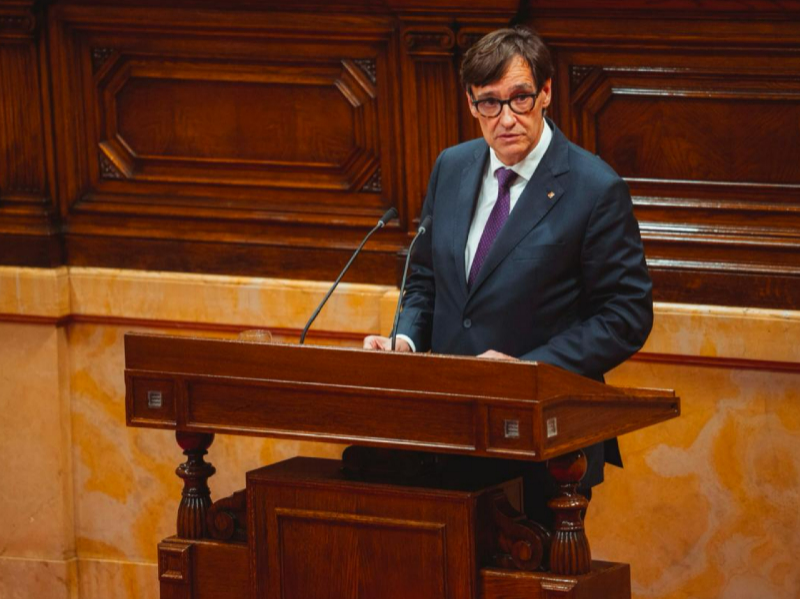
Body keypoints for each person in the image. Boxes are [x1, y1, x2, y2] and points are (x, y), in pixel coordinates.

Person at [363, 26, 653, 526]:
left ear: (545, 92)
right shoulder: (451, 167)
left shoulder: (593, 187)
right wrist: (405, 342)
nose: (507, 118)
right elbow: (426, 278)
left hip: (546, 443)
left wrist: (528, 369)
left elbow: (626, 315)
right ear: (471, 104)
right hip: (450, 432)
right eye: (489, 104)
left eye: (520, 98)